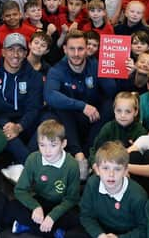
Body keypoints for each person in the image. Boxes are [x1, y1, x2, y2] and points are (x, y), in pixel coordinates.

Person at [63, 141, 148, 238]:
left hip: (126, 235)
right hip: (102, 229)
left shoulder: (137, 195)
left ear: (126, 171)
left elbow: (144, 229)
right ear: (97, 169)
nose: (111, 175)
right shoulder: (92, 184)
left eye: (117, 169)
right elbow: (86, 216)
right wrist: (100, 235)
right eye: (106, 168)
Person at [44, 30, 116, 178]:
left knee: (109, 104)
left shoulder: (95, 65)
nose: (76, 53)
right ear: (65, 49)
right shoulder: (57, 70)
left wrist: (118, 72)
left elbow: (111, 91)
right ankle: (79, 156)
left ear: (87, 49)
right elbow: (50, 96)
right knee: (59, 107)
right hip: (71, 118)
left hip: (94, 118)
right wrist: (82, 106)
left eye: (80, 49)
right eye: (72, 49)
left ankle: (90, 153)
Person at [0, 33, 43, 174]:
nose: (15, 54)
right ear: (3, 52)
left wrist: (19, 127)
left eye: (20, 50)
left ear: (25, 53)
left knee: (48, 119)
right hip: (0, 122)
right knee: (1, 123)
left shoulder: (34, 76)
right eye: (11, 49)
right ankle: (34, 169)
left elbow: (34, 108)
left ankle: (21, 166)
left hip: (25, 122)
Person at [5, 120, 80, 238]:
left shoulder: (72, 165)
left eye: (53, 145)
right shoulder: (33, 159)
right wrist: (35, 207)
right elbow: (20, 190)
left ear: (63, 144)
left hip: (61, 205)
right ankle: (54, 232)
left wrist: (52, 217)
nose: (47, 150)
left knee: (78, 218)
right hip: (41, 200)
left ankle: (31, 227)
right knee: (11, 207)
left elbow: (72, 199)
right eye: (42, 145)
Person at [89, 92, 146, 165]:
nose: (122, 115)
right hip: (108, 168)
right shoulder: (108, 128)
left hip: (131, 170)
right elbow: (94, 151)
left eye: (128, 111)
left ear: (135, 112)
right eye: (119, 111)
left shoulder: (140, 131)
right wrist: (94, 165)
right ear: (114, 110)